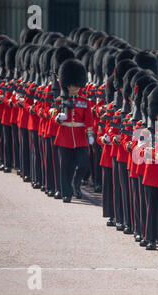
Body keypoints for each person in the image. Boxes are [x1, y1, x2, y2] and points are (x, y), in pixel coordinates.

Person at [52, 59, 94, 203]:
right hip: (65, 137)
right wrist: (58, 117)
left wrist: (90, 135)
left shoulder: (85, 101)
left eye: (76, 85)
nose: (74, 88)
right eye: (71, 86)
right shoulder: (60, 100)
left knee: (83, 164)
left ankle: (76, 182)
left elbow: (88, 119)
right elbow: (52, 113)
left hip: (80, 137)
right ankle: (66, 193)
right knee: (65, 167)